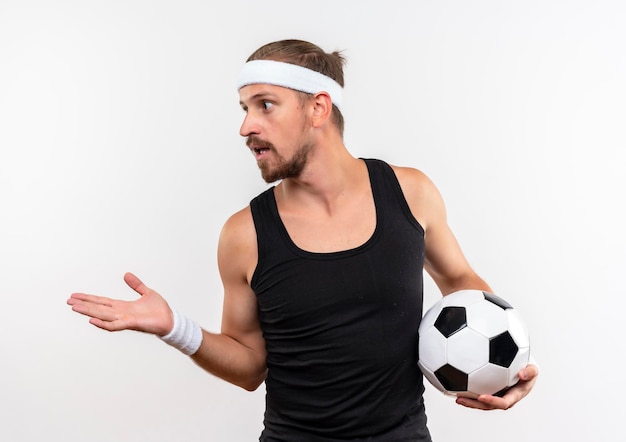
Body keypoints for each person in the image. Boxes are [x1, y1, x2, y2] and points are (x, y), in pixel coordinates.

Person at [67, 39, 538, 441]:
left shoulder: (409, 191)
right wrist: (175, 327)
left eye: (264, 105)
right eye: (244, 109)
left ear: (318, 107)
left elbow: (459, 279)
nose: (246, 127)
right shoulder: (244, 234)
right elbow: (250, 367)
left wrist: (505, 370)